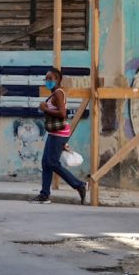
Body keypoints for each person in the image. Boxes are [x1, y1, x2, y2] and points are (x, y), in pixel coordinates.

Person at [30, 68, 87, 205]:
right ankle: (44, 195)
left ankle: (79, 185)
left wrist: (45, 109)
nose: (47, 81)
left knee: (52, 163)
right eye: (46, 79)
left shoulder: (58, 93)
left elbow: (62, 114)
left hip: (59, 133)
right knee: (46, 163)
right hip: (54, 132)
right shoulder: (53, 94)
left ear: (57, 80)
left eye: (50, 79)